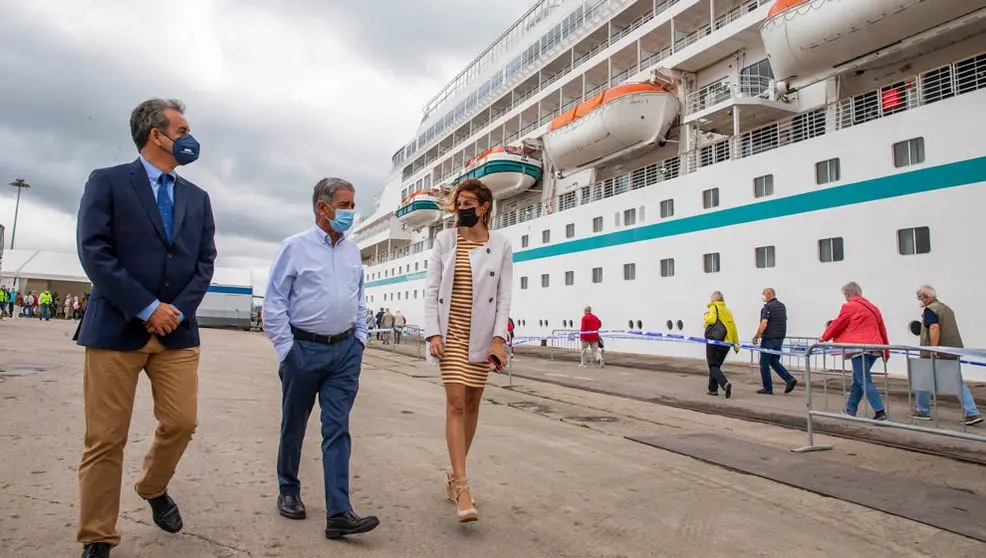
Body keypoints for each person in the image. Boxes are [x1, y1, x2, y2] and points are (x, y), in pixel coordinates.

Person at [74, 98, 216, 558]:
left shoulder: (198, 198)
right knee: (105, 439)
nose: (190, 137)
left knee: (182, 422)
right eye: (182, 129)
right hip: (116, 329)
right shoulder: (109, 182)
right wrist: (146, 307)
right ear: (157, 134)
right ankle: (97, 536)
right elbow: (95, 252)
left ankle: (152, 486)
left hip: (177, 332)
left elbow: (204, 262)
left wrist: (174, 310)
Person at [263, 177, 380, 540]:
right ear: (322, 207)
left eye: (351, 205)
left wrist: (359, 340)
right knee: (294, 424)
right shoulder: (294, 248)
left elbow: (358, 299)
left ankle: (339, 512)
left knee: (337, 428)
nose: (350, 212)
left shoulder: (352, 251)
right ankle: (288, 488)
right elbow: (274, 303)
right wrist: (288, 350)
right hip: (304, 349)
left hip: (345, 352)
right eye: (345, 206)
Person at [423, 178, 512, 523]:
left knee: (473, 403)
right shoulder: (445, 241)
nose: (461, 209)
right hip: (450, 333)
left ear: (484, 207)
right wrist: (432, 332)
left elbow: (504, 296)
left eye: (468, 204)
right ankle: (462, 485)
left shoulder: (501, 245)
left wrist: (499, 339)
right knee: (456, 402)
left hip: (482, 334)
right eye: (458, 203)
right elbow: (431, 291)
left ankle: (452, 472)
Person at [817, 282, 889, 421]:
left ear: (849, 294)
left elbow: (839, 323)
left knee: (864, 380)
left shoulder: (849, 306)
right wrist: (886, 350)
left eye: (844, 294)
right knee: (858, 380)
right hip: (875, 347)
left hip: (859, 348)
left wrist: (824, 336)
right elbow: (882, 329)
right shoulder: (873, 307)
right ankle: (850, 409)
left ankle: (880, 412)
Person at [912, 285, 982, 425]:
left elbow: (934, 327)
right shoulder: (946, 308)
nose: (919, 300)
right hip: (952, 350)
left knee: (921, 380)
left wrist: (934, 348)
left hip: (935, 353)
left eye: (919, 297)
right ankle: (972, 412)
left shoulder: (930, 309)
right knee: (956, 382)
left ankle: (923, 411)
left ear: (925, 296)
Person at [751, 287, 797, 395]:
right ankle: (789, 379)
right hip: (779, 338)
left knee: (764, 363)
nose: (763, 297)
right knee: (774, 361)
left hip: (769, 338)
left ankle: (768, 388)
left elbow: (764, 323)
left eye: (763, 294)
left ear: (769, 294)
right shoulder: (782, 306)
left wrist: (756, 336)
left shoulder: (767, 307)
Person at [703, 291, 739, 398]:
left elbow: (711, 319)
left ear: (713, 299)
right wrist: (736, 345)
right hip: (726, 343)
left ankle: (724, 384)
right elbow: (733, 328)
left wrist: (706, 316)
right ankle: (713, 389)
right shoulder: (728, 311)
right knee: (716, 366)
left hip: (714, 341)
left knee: (712, 365)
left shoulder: (714, 307)